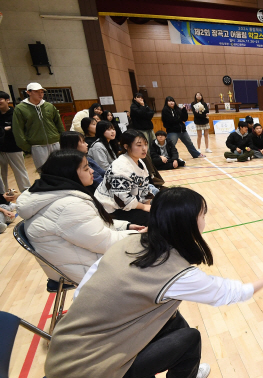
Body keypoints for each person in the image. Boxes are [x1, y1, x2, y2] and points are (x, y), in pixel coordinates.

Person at [43, 186, 263, 378]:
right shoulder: (177, 274)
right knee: (190, 339)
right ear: (186, 223)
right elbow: (234, 293)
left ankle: (185, 370)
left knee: (170, 316)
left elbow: (82, 291)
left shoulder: (131, 241)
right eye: (202, 214)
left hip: (65, 361)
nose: (205, 219)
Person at [16, 150, 140, 283]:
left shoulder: (53, 194)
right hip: (87, 270)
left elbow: (93, 226)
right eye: (86, 168)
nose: (92, 171)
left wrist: (126, 226)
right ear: (69, 173)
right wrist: (138, 236)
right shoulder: (68, 206)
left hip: (81, 260)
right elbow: (103, 242)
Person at [95, 130, 153, 226]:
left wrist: (148, 205)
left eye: (145, 144)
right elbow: (123, 201)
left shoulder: (139, 161)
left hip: (129, 204)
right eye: (139, 145)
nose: (144, 149)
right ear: (126, 146)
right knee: (154, 220)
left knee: (161, 209)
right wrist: (143, 207)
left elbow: (145, 188)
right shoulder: (120, 168)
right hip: (111, 209)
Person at [13, 82, 65, 170]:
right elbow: (18, 130)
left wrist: (62, 139)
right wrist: (27, 147)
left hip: (55, 142)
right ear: (28, 92)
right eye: (36, 92)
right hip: (37, 146)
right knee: (43, 170)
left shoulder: (49, 106)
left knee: (61, 168)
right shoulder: (20, 108)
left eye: (42, 92)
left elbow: (59, 124)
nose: (40, 94)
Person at [0, 91, 30, 194]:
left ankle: (26, 192)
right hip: (1, 149)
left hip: (14, 148)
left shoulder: (15, 113)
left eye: (0, 99)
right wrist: (5, 129)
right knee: (2, 174)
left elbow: (19, 129)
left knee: (20, 171)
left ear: (7, 100)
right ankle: (3, 194)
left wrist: (5, 129)